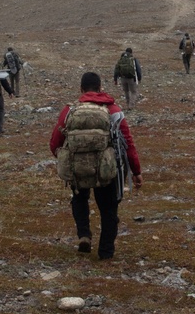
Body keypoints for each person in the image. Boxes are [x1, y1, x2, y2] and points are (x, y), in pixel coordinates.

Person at [50, 72, 143, 259]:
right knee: (108, 209)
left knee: (79, 199)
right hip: (108, 169)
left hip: (78, 167)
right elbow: (128, 143)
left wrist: (68, 159)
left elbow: (55, 142)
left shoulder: (70, 110)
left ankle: (84, 235)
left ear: (81, 89)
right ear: (101, 88)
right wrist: (136, 171)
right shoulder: (114, 110)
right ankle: (106, 252)